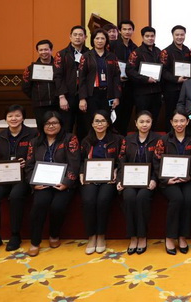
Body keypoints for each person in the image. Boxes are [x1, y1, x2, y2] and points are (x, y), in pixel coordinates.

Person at [0, 104, 36, 254]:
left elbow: (39, 156)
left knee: (16, 196)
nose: (14, 119)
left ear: (23, 118)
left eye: (17, 115)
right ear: (5, 118)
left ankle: (15, 235)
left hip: (23, 177)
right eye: (10, 116)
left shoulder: (33, 135)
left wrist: (27, 162)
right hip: (2, 177)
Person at [26, 111, 80, 257]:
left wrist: (67, 182)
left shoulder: (70, 139)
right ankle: (35, 242)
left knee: (58, 206)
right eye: (47, 123)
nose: (51, 126)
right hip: (42, 183)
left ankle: (54, 235)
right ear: (42, 126)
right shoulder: (34, 142)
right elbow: (29, 166)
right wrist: (33, 183)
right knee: (39, 204)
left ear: (61, 124)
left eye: (55, 123)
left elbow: (74, 163)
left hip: (62, 183)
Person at [155, 110, 191, 255]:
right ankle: (170, 236)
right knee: (177, 198)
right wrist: (166, 179)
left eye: (182, 121)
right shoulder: (163, 140)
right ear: (171, 123)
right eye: (176, 121)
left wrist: (189, 176)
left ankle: (182, 236)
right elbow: (156, 162)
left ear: (187, 122)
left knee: (189, 198)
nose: (179, 124)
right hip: (168, 180)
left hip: (188, 179)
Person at [117, 110, 160, 255]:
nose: (144, 124)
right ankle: (133, 237)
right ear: (136, 123)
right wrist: (120, 180)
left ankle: (142, 236)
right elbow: (121, 161)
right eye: (141, 122)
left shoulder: (158, 140)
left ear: (152, 123)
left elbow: (159, 163)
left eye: (147, 121)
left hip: (148, 181)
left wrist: (154, 179)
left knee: (142, 197)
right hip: (129, 180)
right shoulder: (127, 139)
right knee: (129, 197)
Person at [79, 110, 122, 255]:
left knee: (103, 200)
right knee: (89, 200)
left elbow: (122, 160)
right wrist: (81, 172)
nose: (100, 124)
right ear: (92, 124)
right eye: (97, 121)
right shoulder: (86, 141)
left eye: (103, 121)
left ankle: (101, 235)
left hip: (109, 179)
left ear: (108, 123)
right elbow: (80, 161)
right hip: (90, 178)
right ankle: (92, 236)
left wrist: (116, 171)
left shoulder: (117, 140)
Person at [77, 29, 122, 133]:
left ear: (106, 40)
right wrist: (82, 98)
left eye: (102, 38)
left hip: (108, 94)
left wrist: (117, 96)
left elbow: (116, 77)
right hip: (92, 94)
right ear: (93, 40)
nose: (100, 41)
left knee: (107, 121)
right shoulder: (86, 56)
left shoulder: (112, 56)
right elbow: (81, 78)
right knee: (92, 121)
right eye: (97, 38)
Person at [126, 26, 163, 129]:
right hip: (142, 93)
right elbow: (129, 71)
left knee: (154, 118)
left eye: (152, 36)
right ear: (142, 37)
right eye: (147, 36)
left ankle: (153, 138)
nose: (150, 38)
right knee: (142, 119)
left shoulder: (158, 51)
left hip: (156, 92)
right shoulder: (136, 53)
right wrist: (146, 79)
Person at [53, 25, 87, 137]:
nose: (77, 37)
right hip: (67, 96)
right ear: (70, 37)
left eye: (80, 35)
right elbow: (57, 76)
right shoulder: (61, 54)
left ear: (85, 37)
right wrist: (61, 96)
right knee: (66, 127)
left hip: (84, 96)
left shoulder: (89, 54)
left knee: (84, 127)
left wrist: (84, 97)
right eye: (75, 35)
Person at [21, 39, 59, 129]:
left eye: (46, 49)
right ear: (37, 52)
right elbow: (25, 87)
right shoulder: (30, 69)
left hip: (58, 104)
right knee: (42, 129)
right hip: (39, 105)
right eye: (41, 50)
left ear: (51, 50)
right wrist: (36, 96)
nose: (43, 52)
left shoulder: (59, 67)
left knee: (58, 128)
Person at [159, 25, 191, 120]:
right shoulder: (166, 52)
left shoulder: (187, 50)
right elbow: (163, 71)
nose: (180, 37)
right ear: (173, 35)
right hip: (171, 89)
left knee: (185, 113)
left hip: (186, 88)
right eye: (177, 35)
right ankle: (170, 130)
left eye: (182, 35)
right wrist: (176, 79)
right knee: (171, 113)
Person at [110, 19, 137, 136]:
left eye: (129, 29)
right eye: (124, 29)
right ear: (120, 31)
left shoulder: (135, 48)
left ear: (133, 31)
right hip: (115, 86)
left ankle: (123, 141)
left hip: (130, 86)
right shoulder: (112, 45)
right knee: (113, 117)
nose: (127, 32)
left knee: (126, 116)